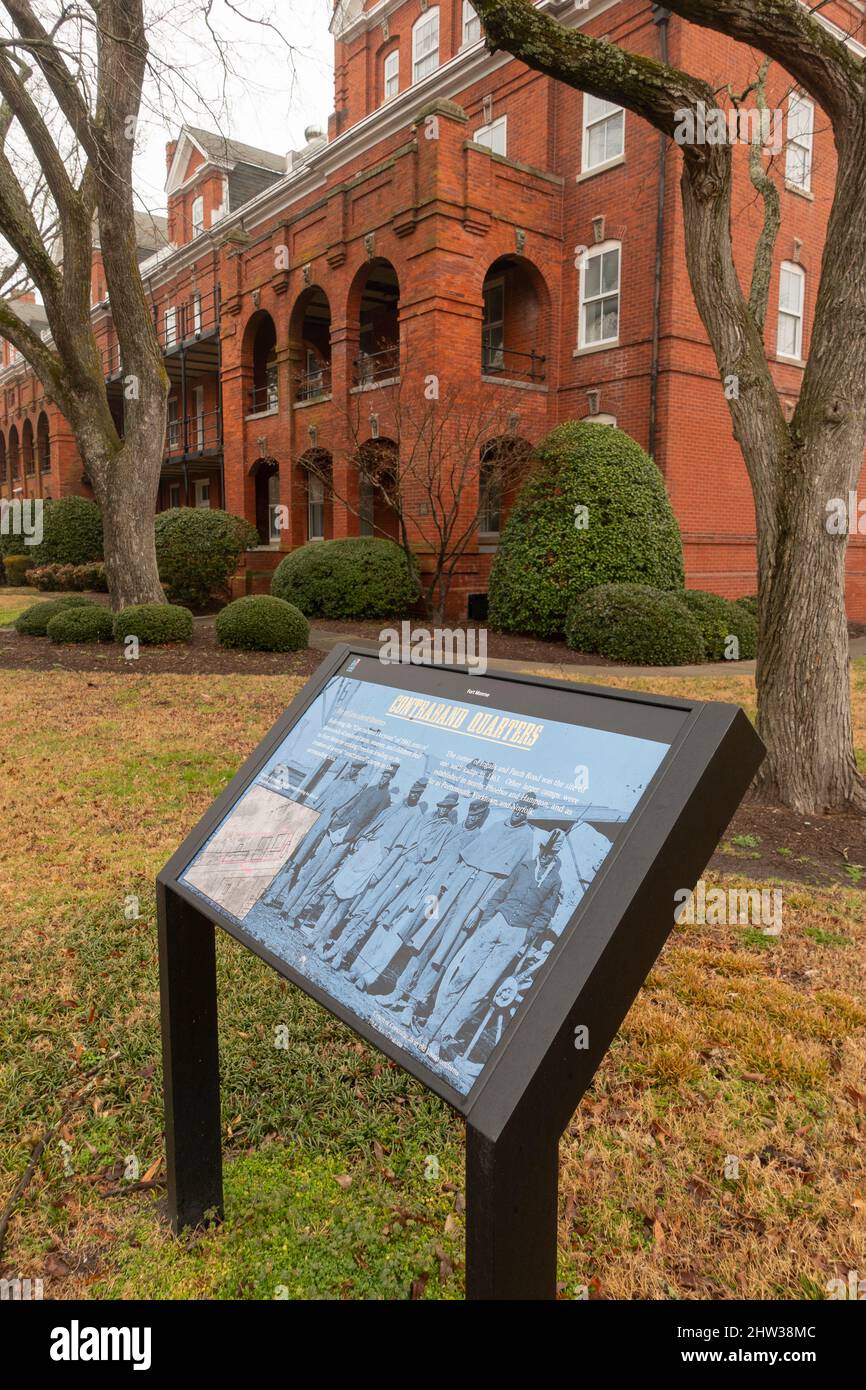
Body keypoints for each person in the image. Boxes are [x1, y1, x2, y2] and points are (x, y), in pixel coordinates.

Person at [393, 793, 537, 1023]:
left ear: (530, 813)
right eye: (519, 806)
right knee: (425, 938)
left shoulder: (526, 837)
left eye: (526, 809)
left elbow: (506, 881)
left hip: (479, 894)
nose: (520, 811)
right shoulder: (497, 826)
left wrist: (479, 908)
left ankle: (412, 1004)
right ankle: (398, 991)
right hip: (456, 887)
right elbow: (467, 857)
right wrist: (447, 883)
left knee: (444, 951)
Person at [420, 830, 564, 1060]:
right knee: (462, 977)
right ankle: (430, 1028)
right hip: (496, 923)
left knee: (480, 989)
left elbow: (545, 915)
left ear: (556, 854)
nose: (546, 856)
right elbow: (500, 893)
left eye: (551, 853)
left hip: (517, 933)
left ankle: (442, 1037)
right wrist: (488, 921)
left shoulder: (554, 880)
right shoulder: (524, 867)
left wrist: (526, 936)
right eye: (544, 851)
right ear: (541, 849)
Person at [261, 759, 367, 910]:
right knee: (288, 856)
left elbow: (345, 812)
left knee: (298, 862)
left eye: (358, 769)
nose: (354, 771)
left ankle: (274, 894)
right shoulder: (336, 782)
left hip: (321, 827)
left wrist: (330, 826)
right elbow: (319, 800)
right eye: (353, 767)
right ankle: (268, 889)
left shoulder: (356, 790)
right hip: (309, 820)